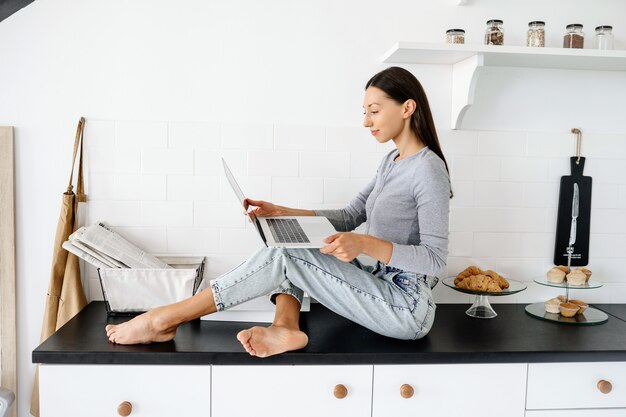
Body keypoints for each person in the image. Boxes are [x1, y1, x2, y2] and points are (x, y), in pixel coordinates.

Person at [105, 66, 452, 357]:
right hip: (374, 284)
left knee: (284, 256)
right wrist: (280, 211)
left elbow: (434, 259)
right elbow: (349, 215)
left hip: (406, 307)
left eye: (374, 111)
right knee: (291, 247)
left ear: (407, 108)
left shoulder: (428, 169)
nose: (366, 121)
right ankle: (285, 328)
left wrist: (363, 244)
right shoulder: (391, 161)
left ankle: (163, 320)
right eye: (365, 112)